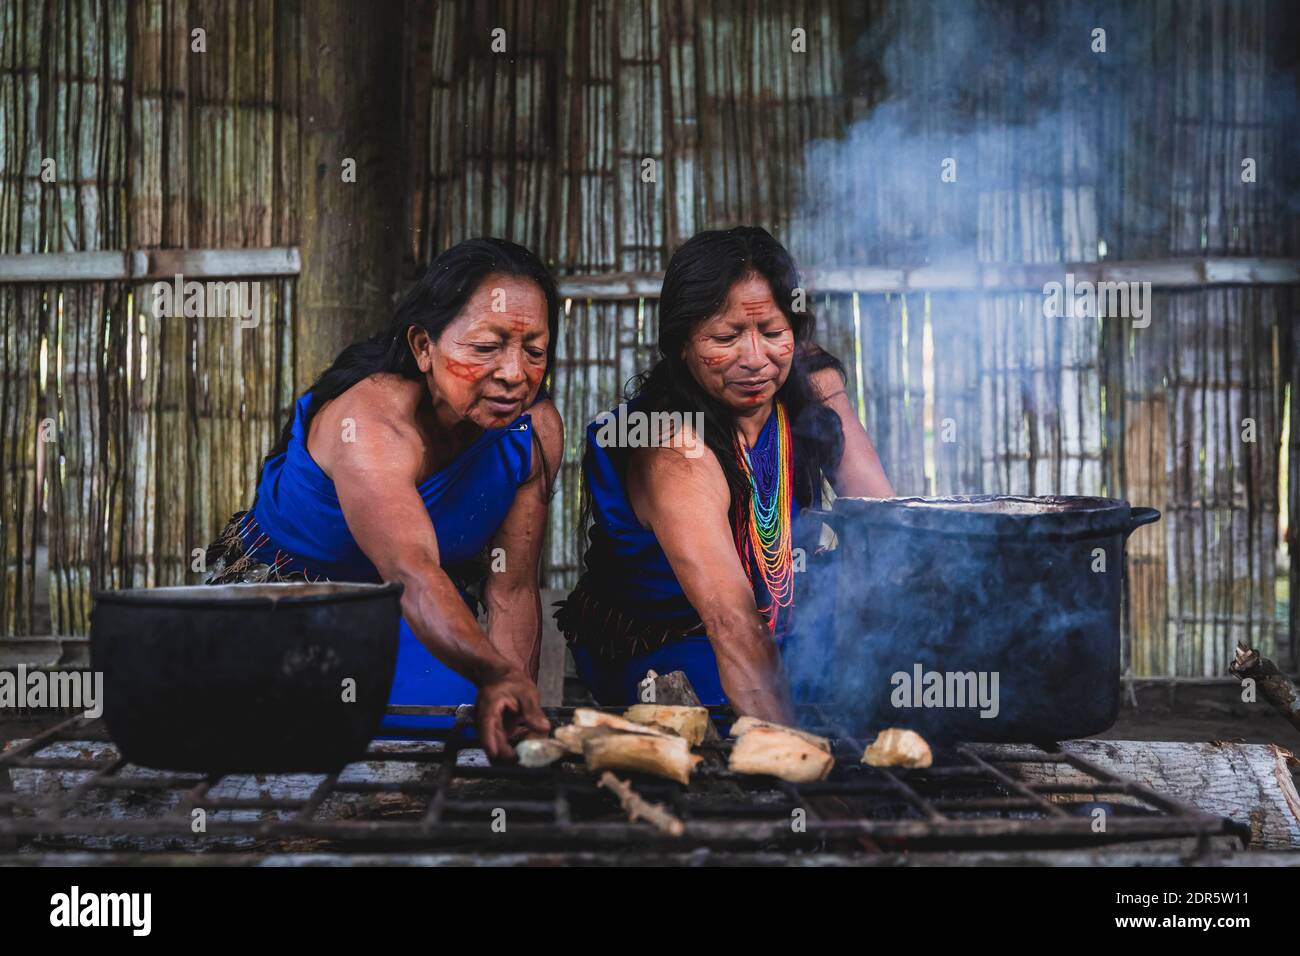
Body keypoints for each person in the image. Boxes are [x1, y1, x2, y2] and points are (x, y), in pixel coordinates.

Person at [205, 238, 562, 760]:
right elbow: (411, 571)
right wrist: (492, 671)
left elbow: (512, 590)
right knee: (308, 748)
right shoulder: (368, 424)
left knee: (458, 730)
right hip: (287, 604)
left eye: (534, 351)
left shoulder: (532, 432)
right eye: (486, 348)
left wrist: (513, 704)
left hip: (417, 610)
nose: (514, 374)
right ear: (423, 348)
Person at [557, 226, 894, 722]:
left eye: (773, 333)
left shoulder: (811, 389)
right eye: (725, 337)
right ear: (681, 344)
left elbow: (884, 523)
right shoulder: (671, 447)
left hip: (789, 625)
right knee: (714, 716)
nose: (755, 359)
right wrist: (789, 759)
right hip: (675, 644)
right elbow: (730, 622)